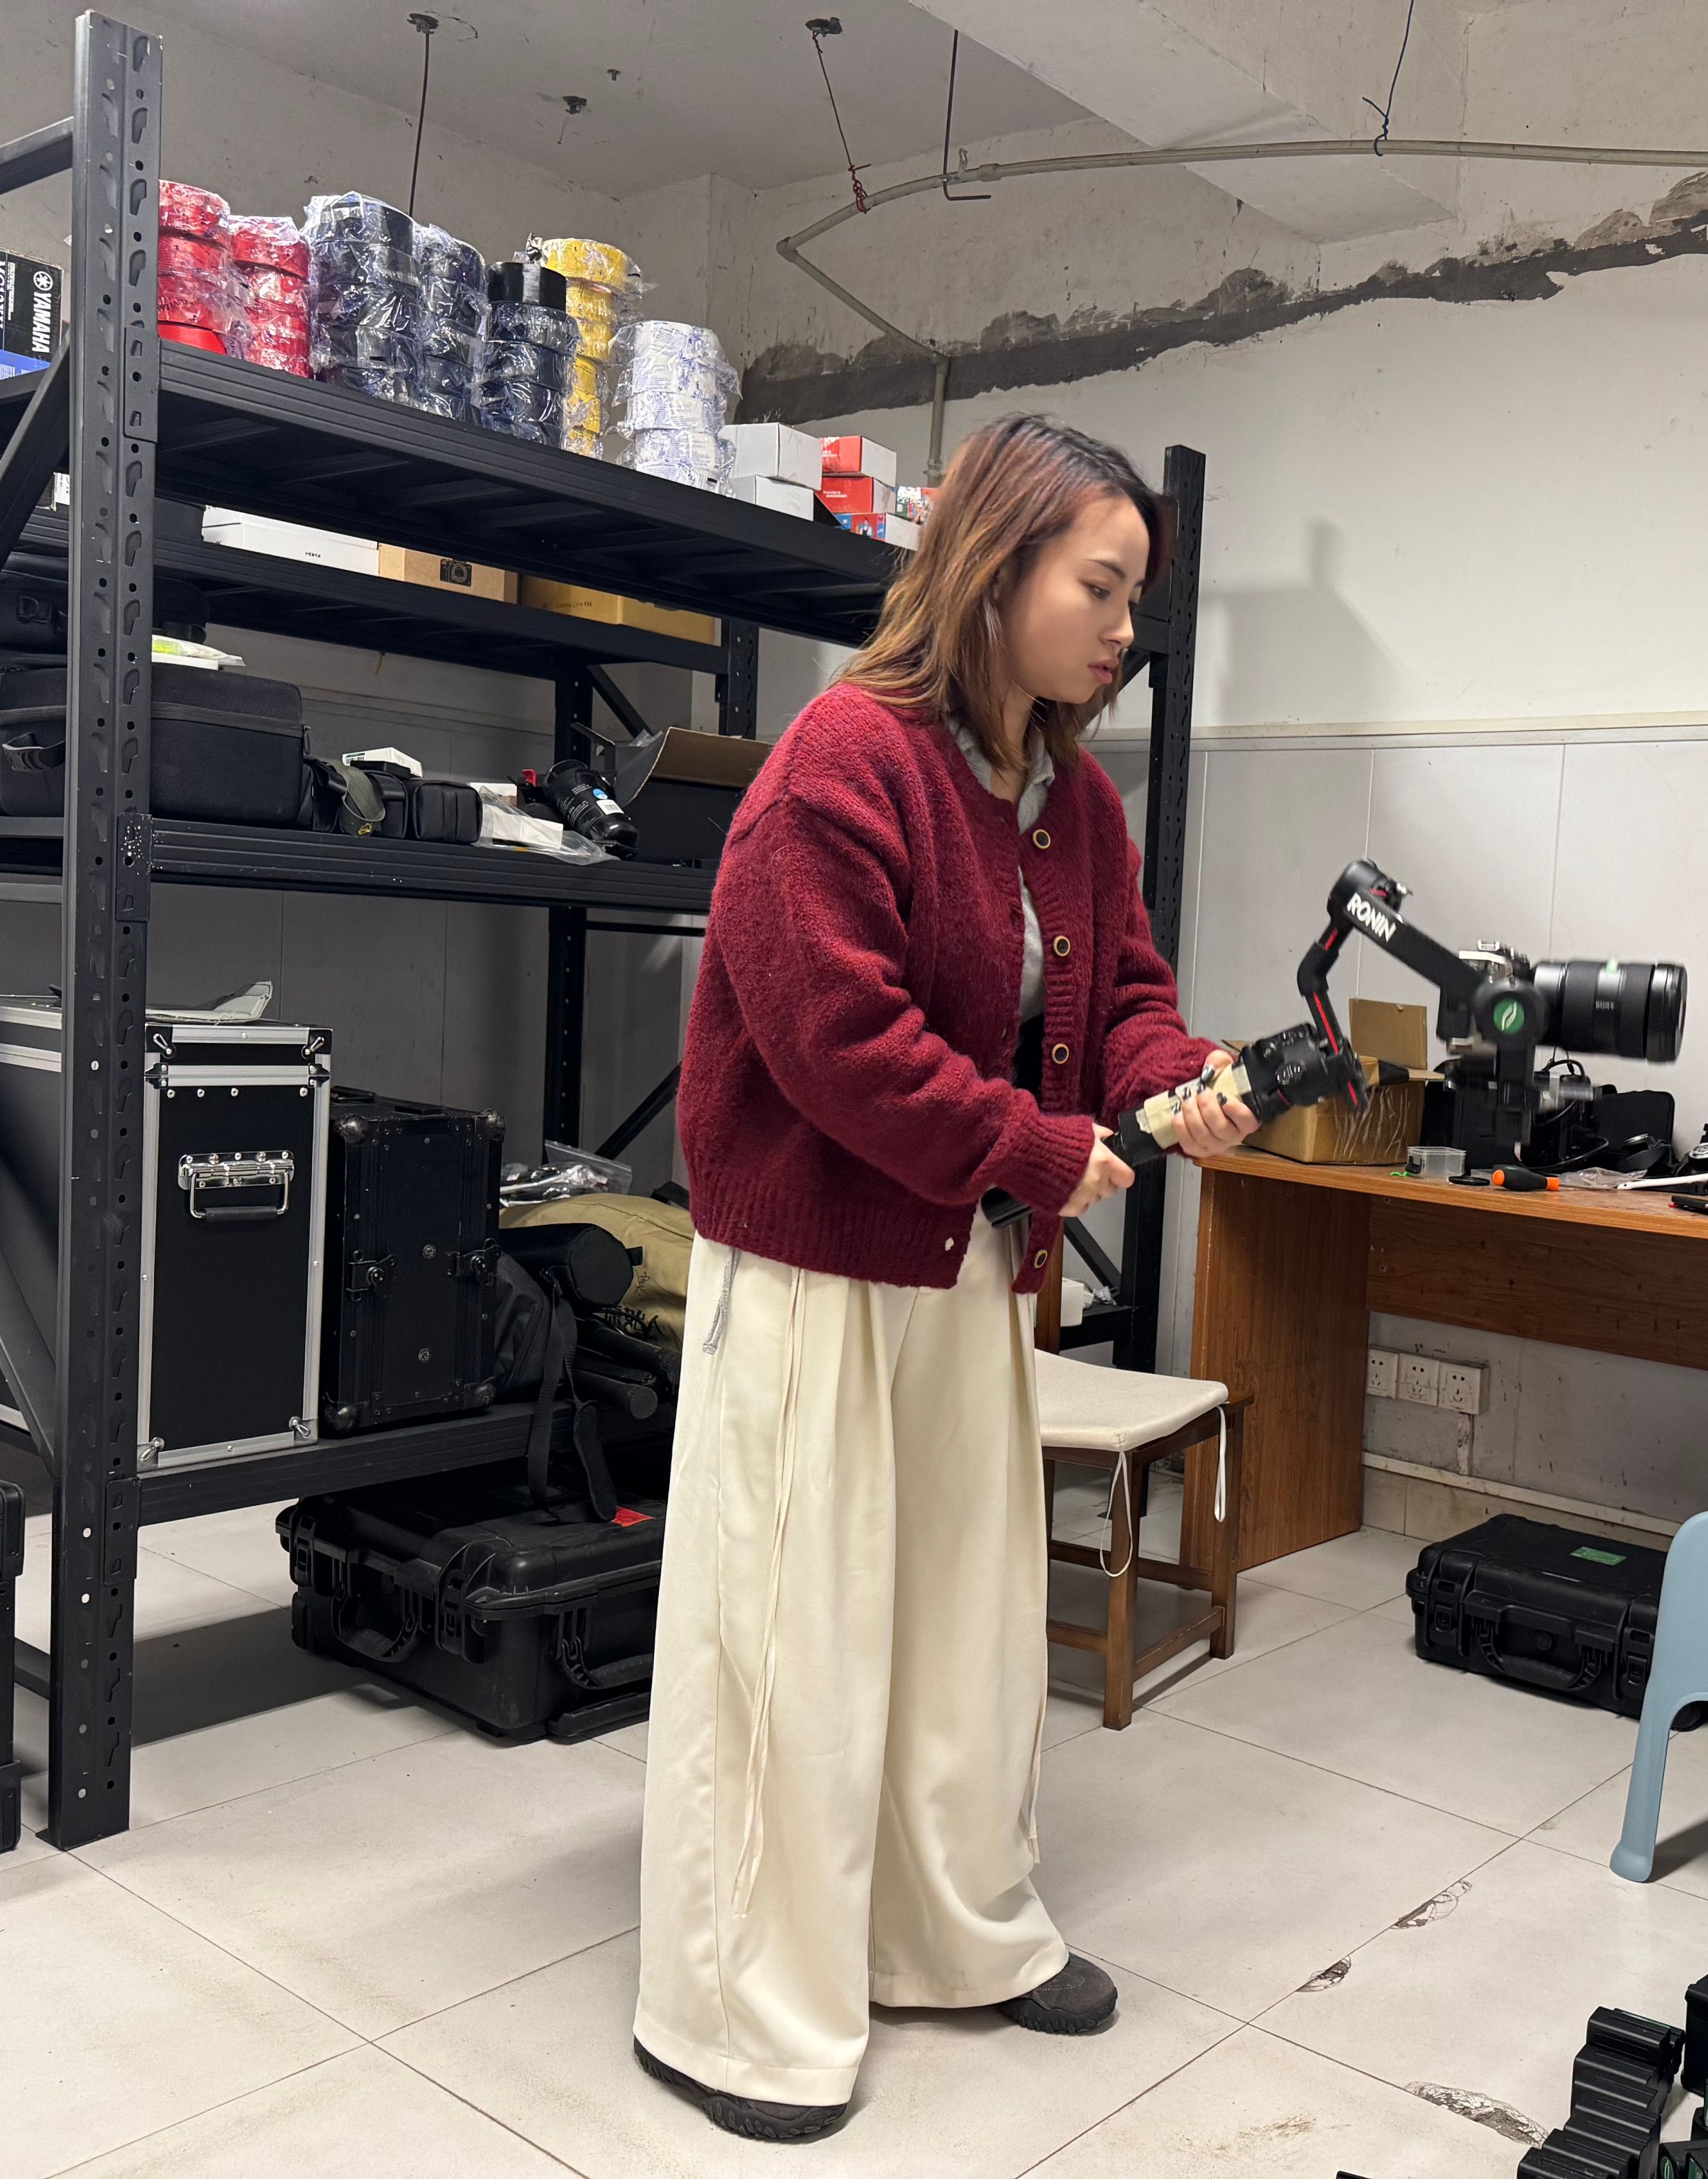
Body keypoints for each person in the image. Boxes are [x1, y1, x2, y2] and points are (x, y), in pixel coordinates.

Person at [636, 414, 1259, 2143]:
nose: (1123, 629)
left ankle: (951, 1935)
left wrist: (1176, 1080)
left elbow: (1117, 1000)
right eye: (1100, 587)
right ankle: (736, 2014)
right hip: (814, 1274)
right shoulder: (842, 760)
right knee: (792, 1647)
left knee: (960, 1633)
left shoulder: (1077, 803)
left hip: (959, 1264)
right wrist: (1035, 1148)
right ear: (993, 568)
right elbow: (833, 1036)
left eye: (1135, 598)